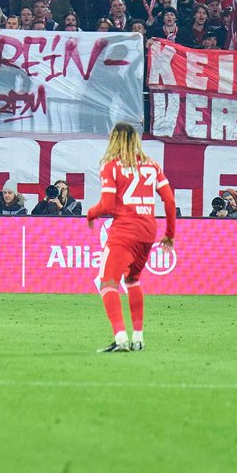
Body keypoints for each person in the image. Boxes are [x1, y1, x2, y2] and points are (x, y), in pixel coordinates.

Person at [85, 122, 176, 353]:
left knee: (107, 283)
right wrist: (169, 234)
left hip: (124, 231)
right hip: (148, 231)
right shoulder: (152, 166)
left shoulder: (111, 166)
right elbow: (170, 201)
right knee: (132, 280)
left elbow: (106, 205)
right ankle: (138, 338)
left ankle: (121, 338)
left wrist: (91, 212)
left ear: (114, 140)